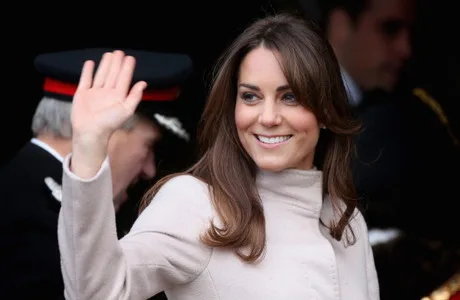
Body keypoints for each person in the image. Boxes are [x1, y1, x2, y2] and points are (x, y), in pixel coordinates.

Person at [57, 14, 379, 299]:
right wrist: (88, 147)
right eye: (250, 96)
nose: (267, 117)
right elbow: (95, 293)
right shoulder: (196, 204)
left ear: (324, 110)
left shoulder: (346, 221)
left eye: (290, 97)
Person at [0, 48, 192, 300]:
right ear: (108, 128)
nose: (149, 170)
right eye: (148, 146)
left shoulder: (25, 189)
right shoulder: (32, 216)